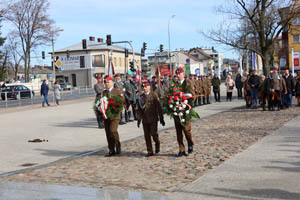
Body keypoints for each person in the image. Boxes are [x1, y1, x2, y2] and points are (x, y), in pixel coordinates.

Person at [137, 81, 165, 157]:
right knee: (147, 136)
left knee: (153, 133)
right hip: (145, 119)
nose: (144, 88)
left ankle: (157, 143)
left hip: (153, 119)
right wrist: (139, 119)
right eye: (143, 87)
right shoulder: (141, 97)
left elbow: (159, 108)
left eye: (146, 86)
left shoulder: (154, 95)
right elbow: (139, 109)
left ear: (149, 87)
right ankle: (150, 151)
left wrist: (161, 118)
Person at [173, 67, 195, 157]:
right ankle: (181, 149)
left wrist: (187, 104)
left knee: (186, 130)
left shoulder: (188, 83)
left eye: (179, 73)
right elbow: (171, 95)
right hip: (177, 111)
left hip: (185, 111)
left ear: (183, 74)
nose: (178, 75)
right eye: (177, 74)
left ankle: (190, 143)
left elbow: (193, 95)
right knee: (178, 132)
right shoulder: (174, 85)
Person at [103, 76, 125, 157]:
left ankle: (118, 145)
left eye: (108, 82)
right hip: (107, 116)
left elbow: (122, 101)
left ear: (112, 82)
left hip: (115, 115)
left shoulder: (117, 91)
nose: (107, 84)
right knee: (108, 133)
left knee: (113, 131)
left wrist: (116, 107)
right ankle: (111, 150)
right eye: (105, 82)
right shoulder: (104, 92)